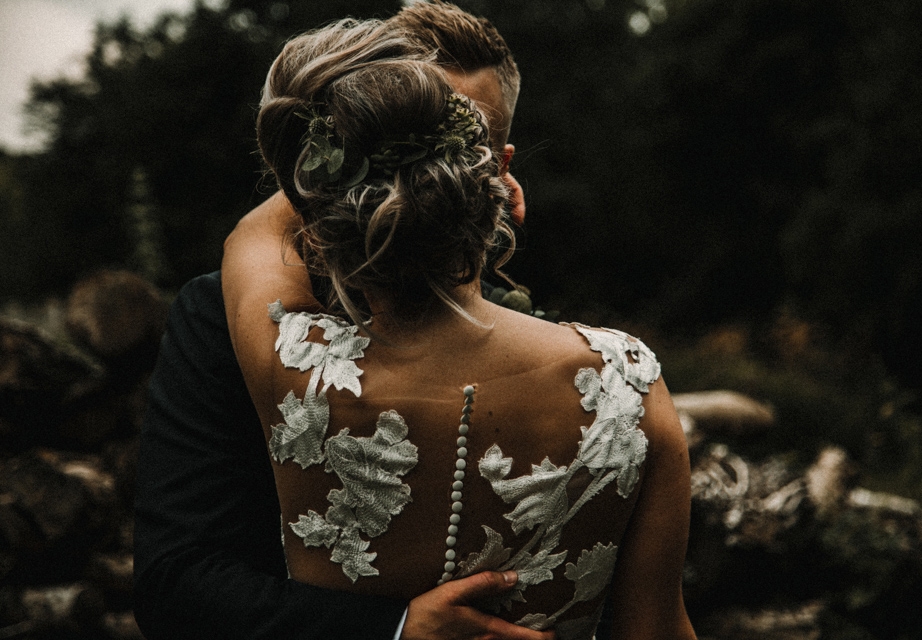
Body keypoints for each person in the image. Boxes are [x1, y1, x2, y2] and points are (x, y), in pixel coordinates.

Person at [222, 12, 696, 640]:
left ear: (327, 210)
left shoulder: (290, 365)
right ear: (490, 178)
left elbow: (254, 233)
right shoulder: (627, 383)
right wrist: (463, 164)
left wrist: (369, 141)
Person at [133, 5, 551, 640]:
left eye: (466, 138)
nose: (422, 172)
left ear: (501, 164)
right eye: (404, 133)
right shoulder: (219, 316)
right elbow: (175, 582)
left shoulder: (529, 327)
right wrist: (393, 629)